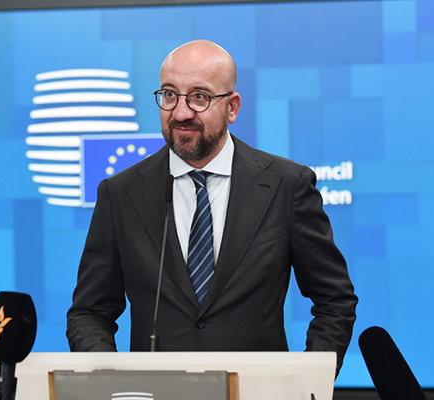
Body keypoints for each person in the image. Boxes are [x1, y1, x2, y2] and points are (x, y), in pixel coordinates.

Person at [67, 40, 357, 372]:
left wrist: (308, 381)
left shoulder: (286, 185)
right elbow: (89, 313)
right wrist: (110, 382)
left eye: (199, 97)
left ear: (232, 107)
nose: (180, 113)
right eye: (169, 95)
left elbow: (334, 301)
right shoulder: (121, 193)